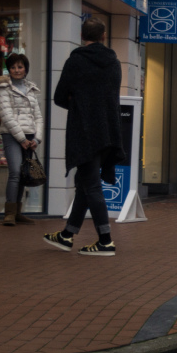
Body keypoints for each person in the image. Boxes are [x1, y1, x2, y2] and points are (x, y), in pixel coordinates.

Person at [43, 18, 122, 256]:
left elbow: (59, 96)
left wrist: (79, 104)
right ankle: (67, 234)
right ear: (104, 36)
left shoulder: (76, 61)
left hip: (85, 131)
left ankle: (105, 240)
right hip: (108, 131)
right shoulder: (114, 63)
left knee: (90, 184)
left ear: (81, 35)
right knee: (85, 183)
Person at [0, 52, 44, 226]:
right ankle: (9, 213)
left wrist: (36, 139)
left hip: (30, 137)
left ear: (25, 69)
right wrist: (22, 139)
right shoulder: (3, 89)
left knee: (24, 174)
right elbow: (7, 117)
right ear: (9, 69)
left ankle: (17, 213)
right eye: (13, 67)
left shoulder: (31, 89)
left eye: (20, 67)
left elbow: (38, 117)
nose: (17, 70)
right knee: (15, 172)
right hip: (11, 135)